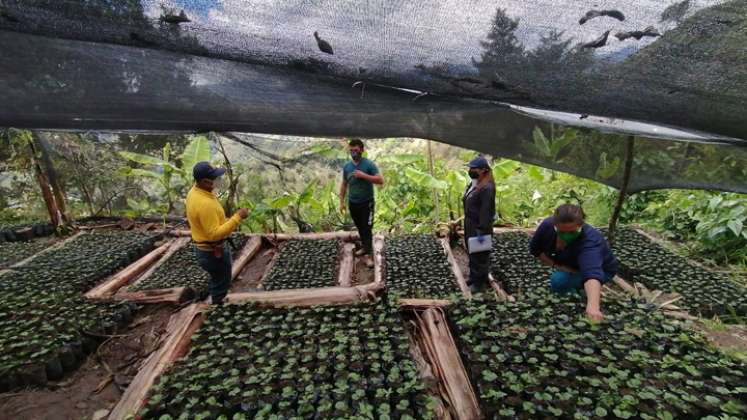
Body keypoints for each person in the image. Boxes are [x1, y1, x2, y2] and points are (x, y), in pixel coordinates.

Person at [529, 204, 619, 322]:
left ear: (581, 226)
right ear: (555, 226)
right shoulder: (547, 226)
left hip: (603, 270)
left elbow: (592, 273)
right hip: (571, 265)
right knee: (562, 277)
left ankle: (582, 296)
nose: (566, 235)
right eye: (562, 232)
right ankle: (575, 292)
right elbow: (535, 250)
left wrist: (593, 307)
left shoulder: (590, 241)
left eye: (572, 232)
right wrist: (557, 265)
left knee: (559, 280)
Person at [186, 161, 249, 305]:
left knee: (218, 278)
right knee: (221, 281)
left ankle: (219, 295)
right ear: (204, 181)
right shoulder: (204, 204)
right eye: (214, 178)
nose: (217, 180)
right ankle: (218, 308)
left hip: (204, 249)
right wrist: (237, 217)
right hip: (211, 252)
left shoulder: (194, 192)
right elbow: (214, 234)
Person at [339, 138, 384, 268]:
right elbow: (344, 185)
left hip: (367, 203)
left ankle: (368, 256)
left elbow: (380, 180)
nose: (353, 153)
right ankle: (365, 248)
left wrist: (364, 176)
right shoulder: (347, 167)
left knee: (367, 228)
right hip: (353, 203)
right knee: (360, 227)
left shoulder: (368, 164)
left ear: (362, 150)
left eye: (356, 150)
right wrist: (341, 201)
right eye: (351, 150)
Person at [463, 156, 496, 293]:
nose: (470, 170)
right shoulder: (474, 183)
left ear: (483, 170)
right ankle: (473, 277)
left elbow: (486, 211)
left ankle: (479, 284)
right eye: (470, 168)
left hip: (479, 226)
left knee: (480, 255)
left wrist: (481, 230)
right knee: (472, 251)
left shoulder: (487, 188)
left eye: (473, 168)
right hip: (470, 223)